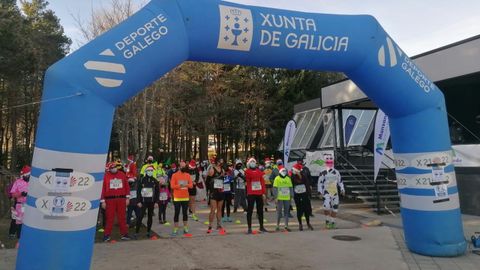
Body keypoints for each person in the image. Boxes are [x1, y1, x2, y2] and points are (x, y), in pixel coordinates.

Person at [101, 162, 131, 242]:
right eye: (111, 168)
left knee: (122, 217)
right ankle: (106, 235)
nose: (113, 169)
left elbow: (127, 186)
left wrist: (127, 198)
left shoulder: (122, 174)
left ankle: (124, 234)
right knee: (110, 218)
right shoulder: (106, 176)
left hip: (121, 199)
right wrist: (103, 201)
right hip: (109, 200)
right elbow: (103, 189)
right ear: (109, 169)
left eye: (114, 167)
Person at [318, 154, 345, 229]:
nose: (329, 161)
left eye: (331, 160)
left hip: (335, 192)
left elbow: (340, 181)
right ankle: (327, 221)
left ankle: (332, 222)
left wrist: (342, 189)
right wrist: (320, 192)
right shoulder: (322, 172)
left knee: (335, 208)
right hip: (326, 192)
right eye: (327, 160)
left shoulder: (336, 172)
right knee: (326, 207)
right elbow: (320, 183)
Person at [135, 165, 160, 238]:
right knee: (140, 217)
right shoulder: (142, 180)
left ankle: (148, 231)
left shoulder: (155, 180)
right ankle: (136, 232)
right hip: (143, 202)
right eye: (149, 171)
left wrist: (156, 202)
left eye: (152, 171)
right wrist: (138, 201)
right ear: (146, 171)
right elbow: (138, 191)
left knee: (150, 217)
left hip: (151, 202)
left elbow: (157, 192)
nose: (150, 172)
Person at [170, 160, 193, 236]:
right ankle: (176, 228)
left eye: (184, 166)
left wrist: (185, 185)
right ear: (179, 167)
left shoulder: (187, 175)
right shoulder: (174, 175)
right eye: (182, 166)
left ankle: (185, 227)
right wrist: (180, 185)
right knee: (176, 213)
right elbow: (172, 186)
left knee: (185, 213)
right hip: (177, 197)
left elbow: (191, 185)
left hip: (185, 197)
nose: (183, 167)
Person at [245, 158, 268, 234]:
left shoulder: (259, 171)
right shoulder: (247, 171)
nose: (252, 163)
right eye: (251, 162)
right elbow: (249, 178)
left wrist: (264, 193)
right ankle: (249, 228)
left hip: (259, 193)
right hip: (251, 193)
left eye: (254, 162)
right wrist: (256, 174)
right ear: (248, 163)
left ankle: (261, 227)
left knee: (260, 211)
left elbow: (262, 182)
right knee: (250, 211)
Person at [10, 165, 31, 239]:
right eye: (25, 175)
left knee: (28, 221)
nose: (27, 176)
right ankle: (15, 235)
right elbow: (12, 194)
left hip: (30, 205)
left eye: (28, 175)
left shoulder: (33, 182)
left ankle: (26, 235)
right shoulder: (18, 182)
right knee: (17, 220)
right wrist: (21, 194)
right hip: (20, 205)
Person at [292, 163, 314, 231]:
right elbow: (295, 183)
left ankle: (308, 223)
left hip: (304, 194)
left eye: (294, 170)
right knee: (299, 210)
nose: (293, 170)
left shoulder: (304, 176)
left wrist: (309, 194)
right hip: (297, 195)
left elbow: (307, 184)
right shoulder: (293, 176)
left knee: (306, 209)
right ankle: (300, 224)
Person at [206, 157, 225, 234]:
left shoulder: (223, 170)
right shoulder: (212, 169)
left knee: (220, 209)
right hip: (213, 192)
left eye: (222, 162)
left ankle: (219, 225)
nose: (222, 163)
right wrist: (209, 190)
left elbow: (223, 180)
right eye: (221, 161)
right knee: (213, 209)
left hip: (220, 191)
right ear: (217, 162)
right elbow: (207, 181)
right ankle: (210, 225)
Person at [273, 167, 293, 232]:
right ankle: (277, 225)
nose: (284, 172)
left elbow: (290, 187)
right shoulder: (277, 179)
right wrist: (275, 197)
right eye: (283, 171)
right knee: (279, 212)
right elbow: (275, 188)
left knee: (286, 212)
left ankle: (286, 225)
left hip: (287, 198)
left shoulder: (288, 179)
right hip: (279, 198)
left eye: (285, 171)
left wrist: (291, 196)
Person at [126, 154, 139, 227]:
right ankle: (128, 223)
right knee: (129, 212)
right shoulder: (130, 164)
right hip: (130, 201)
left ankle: (137, 222)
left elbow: (133, 172)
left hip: (136, 201)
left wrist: (133, 177)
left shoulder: (132, 164)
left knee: (137, 212)